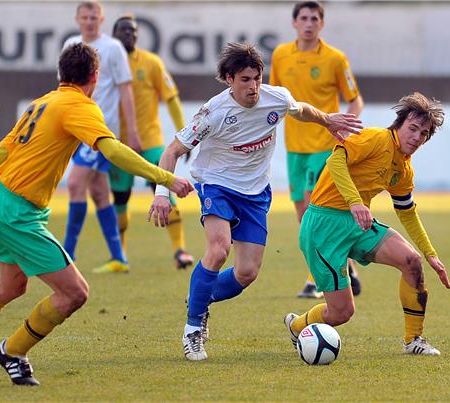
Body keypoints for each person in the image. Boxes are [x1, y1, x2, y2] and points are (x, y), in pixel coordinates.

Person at [0, 43, 193, 386]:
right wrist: (166, 177)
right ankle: (13, 350)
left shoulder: (41, 103)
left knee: (11, 285)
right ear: (95, 77)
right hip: (17, 212)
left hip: (0, 199)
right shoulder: (79, 106)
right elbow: (112, 150)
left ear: (61, 74)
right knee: (75, 293)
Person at [148, 42, 363, 361]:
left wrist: (327, 121)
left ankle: (200, 298)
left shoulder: (275, 97)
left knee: (247, 272)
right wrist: (162, 194)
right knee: (219, 249)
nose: (253, 86)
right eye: (245, 80)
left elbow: (300, 110)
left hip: (255, 193)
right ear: (229, 79)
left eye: (257, 78)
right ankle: (193, 330)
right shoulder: (213, 112)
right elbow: (172, 151)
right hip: (216, 184)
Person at [284, 92, 450, 356]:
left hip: (357, 224)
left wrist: (431, 254)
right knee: (341, 313)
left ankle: (413, 340)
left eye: (424, 134)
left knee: (412, 261)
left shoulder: (404, 169)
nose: (417, 137)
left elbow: (407, 211)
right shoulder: (376, 138)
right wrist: (354, 202)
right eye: (413, 128)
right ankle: (296, 324)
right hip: (323, 226)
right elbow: (335, 160)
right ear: (400, 124)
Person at [270, 1, 364, 299]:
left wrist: (347, 127)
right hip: (293, 147)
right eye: (304, 18)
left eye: (314, 18)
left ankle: (314, 280)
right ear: (294, 23)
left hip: (324, 146)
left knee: (314, 207)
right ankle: (346, 264)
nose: (309, 23)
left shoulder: (336, 58)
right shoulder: (281, 55)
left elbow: (355, 98)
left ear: (322, 24)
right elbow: (273, 96)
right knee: (302, 213)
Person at [95, 14, 193, 273]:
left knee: (165, 190)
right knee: (120, 199)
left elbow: (171, 97)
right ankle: (120, 255)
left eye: (133, 31)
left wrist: (185, 135)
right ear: (113, 33)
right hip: (116, 143)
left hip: (151, 142)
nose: (129, 34)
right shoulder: (103, 62)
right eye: (123, 30)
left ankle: (180, 250)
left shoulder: (151, 63)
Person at [63, 0, 140, 273]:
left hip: (99, 129)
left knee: (74, 184)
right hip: (76, 129)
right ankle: (119, 257)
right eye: (84, 17)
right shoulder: (71, 45)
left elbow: (125, 90)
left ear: (102, 19)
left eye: (94, 17)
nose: (89, 21)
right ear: (77, 19)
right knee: (98, 192)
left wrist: (131, 131)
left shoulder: (113, 48)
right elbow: (64, 89)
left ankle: (66, 255)